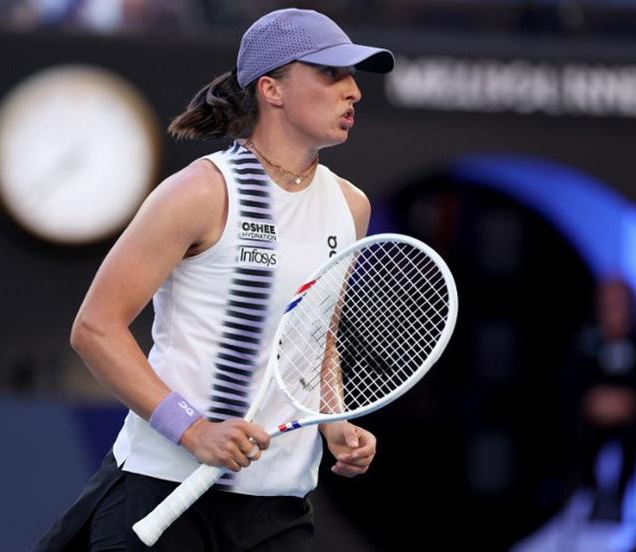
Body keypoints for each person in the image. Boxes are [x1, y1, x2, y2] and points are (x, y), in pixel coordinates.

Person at [35, 8, 394, 551]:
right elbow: (96, 328)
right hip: (160, 489)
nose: (353, 93)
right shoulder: (200, 192)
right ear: (271, 89)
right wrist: (194, 430)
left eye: (353, 78)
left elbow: (315, 342)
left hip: (279, 508)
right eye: (330, 74)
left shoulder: (351, 206)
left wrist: (331, 423)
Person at [565, 277, 636, 523]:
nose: (613, 307)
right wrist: (594, 402)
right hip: (591, 418)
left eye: (619, 302)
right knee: (578, 429)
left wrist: (625, 403)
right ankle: (585, 494)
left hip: (632, 420)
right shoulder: (586, 342)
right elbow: (574, 380)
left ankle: (621, 498)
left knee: (633, 433)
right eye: (608, 301)